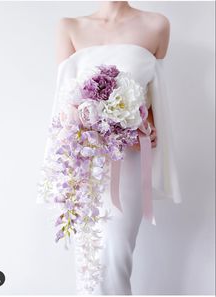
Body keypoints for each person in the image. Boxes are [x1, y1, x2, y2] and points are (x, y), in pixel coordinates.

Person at [37, 1, 182, 295]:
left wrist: (147, 124)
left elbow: (152, 95)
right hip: (84, 159)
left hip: (127, 157)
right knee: (89, 255)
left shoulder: (157, 25)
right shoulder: (69, 26)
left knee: (117, 252)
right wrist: (85, 114)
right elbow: (64, 99)